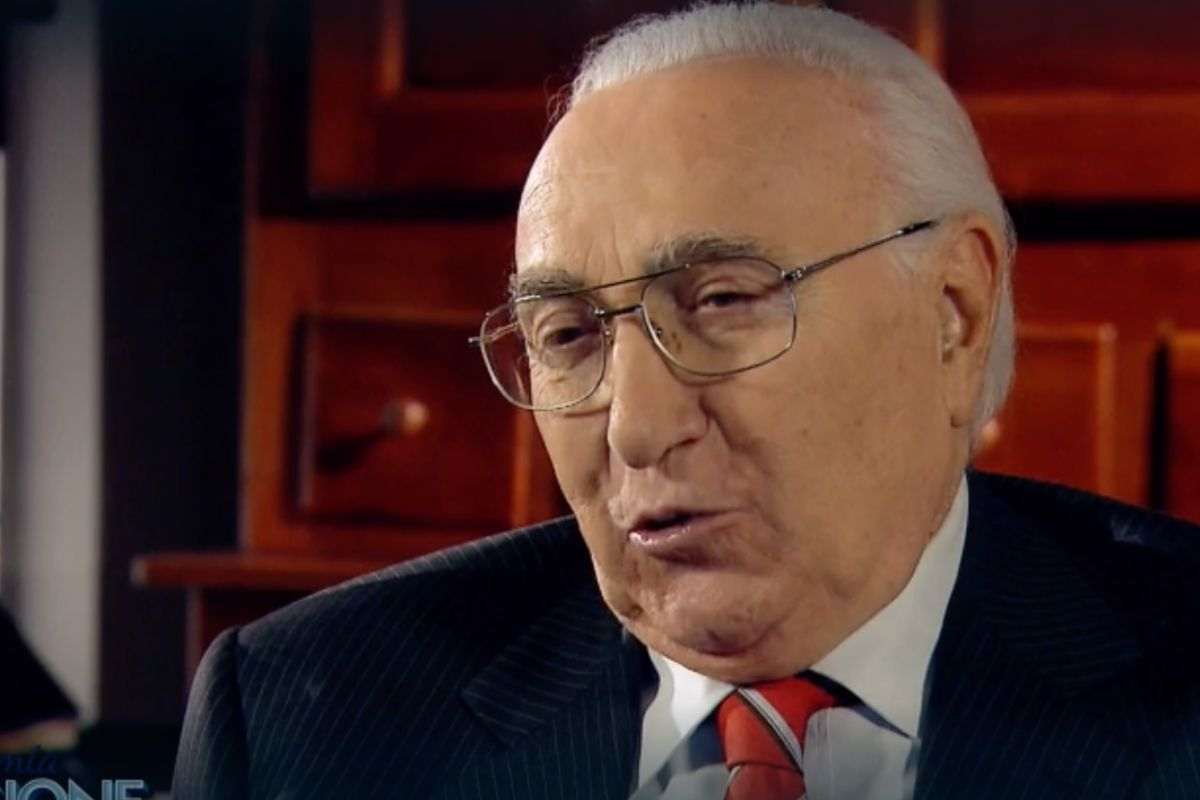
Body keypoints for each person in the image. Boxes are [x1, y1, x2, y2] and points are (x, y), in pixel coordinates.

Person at [173, 4, 1200, 798]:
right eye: (568, 335)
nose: (636, 427)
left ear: (954, 311)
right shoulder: (303, 715)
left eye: (720, 302)